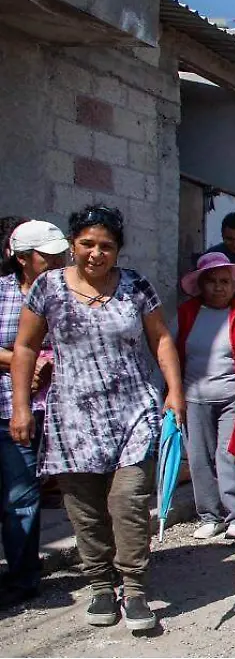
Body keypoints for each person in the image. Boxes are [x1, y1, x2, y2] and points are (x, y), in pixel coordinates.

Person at [10, 206, 183, 632]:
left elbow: (160, 338)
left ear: (118, 250)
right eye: (87, 244)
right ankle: (101, 586)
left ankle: (135, 587)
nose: (96, 253)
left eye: (106, 246)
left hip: (133, 410)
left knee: (128, 501)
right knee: (85, 510)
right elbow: (27, 347)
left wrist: (174, 393)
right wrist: (19, 407)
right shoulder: (48, 288)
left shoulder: (135, 286)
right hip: (72, 417)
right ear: (73, 245)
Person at [0, 219, 67, 609]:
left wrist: (50, 363)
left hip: (60, 406)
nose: (59, 260)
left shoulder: (69, 294)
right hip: (11, 406)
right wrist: (21, 362)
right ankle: (23, 577)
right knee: (19, 495)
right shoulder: (4, 294)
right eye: (49, 255)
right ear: (24, 258)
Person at [175, 253, 235, 541]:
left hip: (232, 398)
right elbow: (172, 353)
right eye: (212, 282)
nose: (219, 287)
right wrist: (171, 393)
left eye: (225, 282)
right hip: (193, 396)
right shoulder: (185, 314)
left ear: (234, 285)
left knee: (228, 454)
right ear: (200, 285)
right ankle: (210, 516)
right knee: (197, 458)